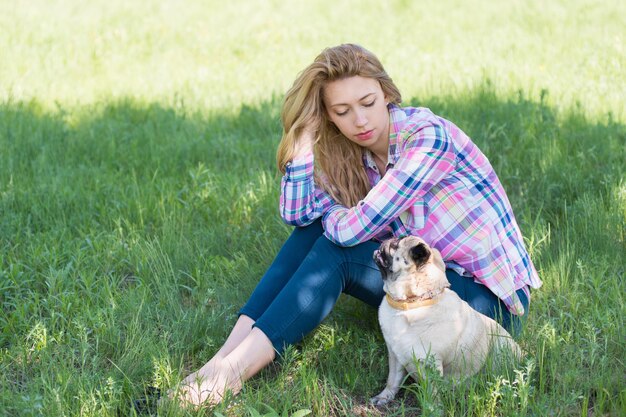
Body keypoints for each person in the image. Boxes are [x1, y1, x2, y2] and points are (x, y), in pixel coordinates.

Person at [172, 43, 542, 407]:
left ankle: (227, 379)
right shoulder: (358, 155)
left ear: (386, 93)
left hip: (484, 311)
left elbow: (350, 230)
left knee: (337, 248)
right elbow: (297, 215)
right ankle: (219, 363)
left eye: (367, 103)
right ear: (327, 116)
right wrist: (303, 142)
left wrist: (330, 214)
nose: (360, 121)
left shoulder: (427, 138)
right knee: (316, 232)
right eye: (342, 111)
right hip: (418, 284)